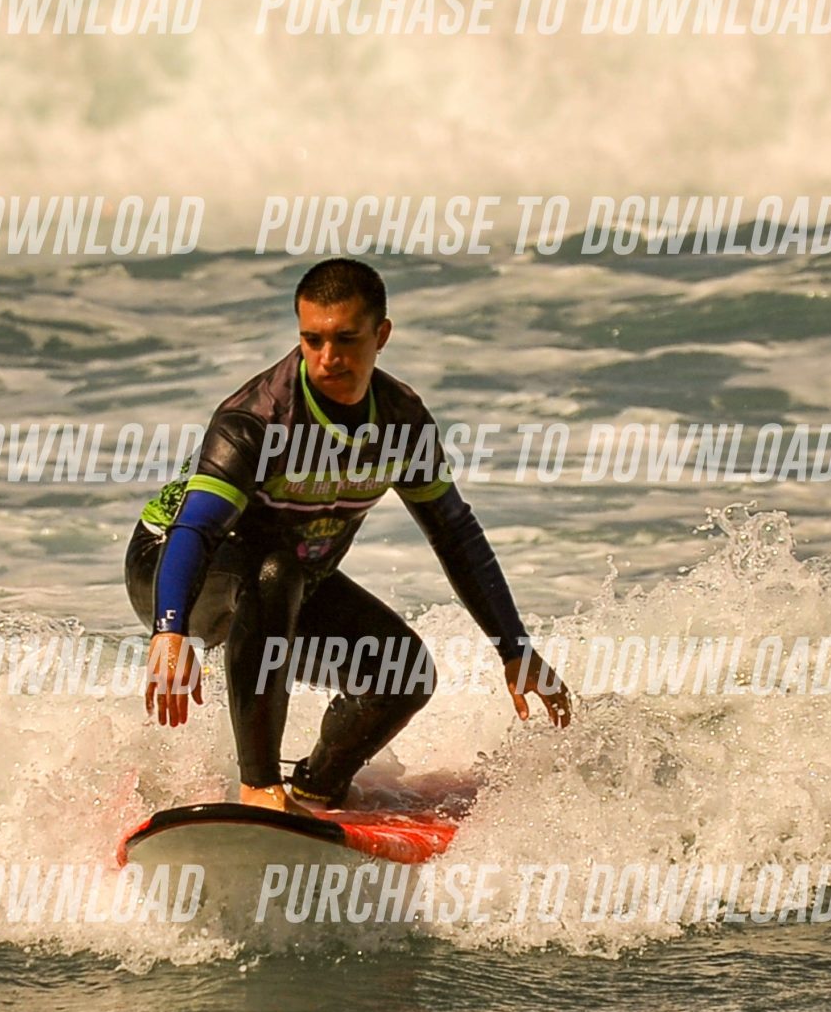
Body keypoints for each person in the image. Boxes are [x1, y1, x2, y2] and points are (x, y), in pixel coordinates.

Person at [129, 257, 570, 810]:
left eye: (345, 339)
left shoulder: (401, 423)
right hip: (172, 565)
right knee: (276, 570)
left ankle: (317, 787)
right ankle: (258, 785)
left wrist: (514, 648)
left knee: (402, 674)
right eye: (312, 340)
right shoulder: (259, 419)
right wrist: (169, 629)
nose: (327, 358)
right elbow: (196, 528)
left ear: (381, 335)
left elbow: (454, 533)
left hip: (286, 578)